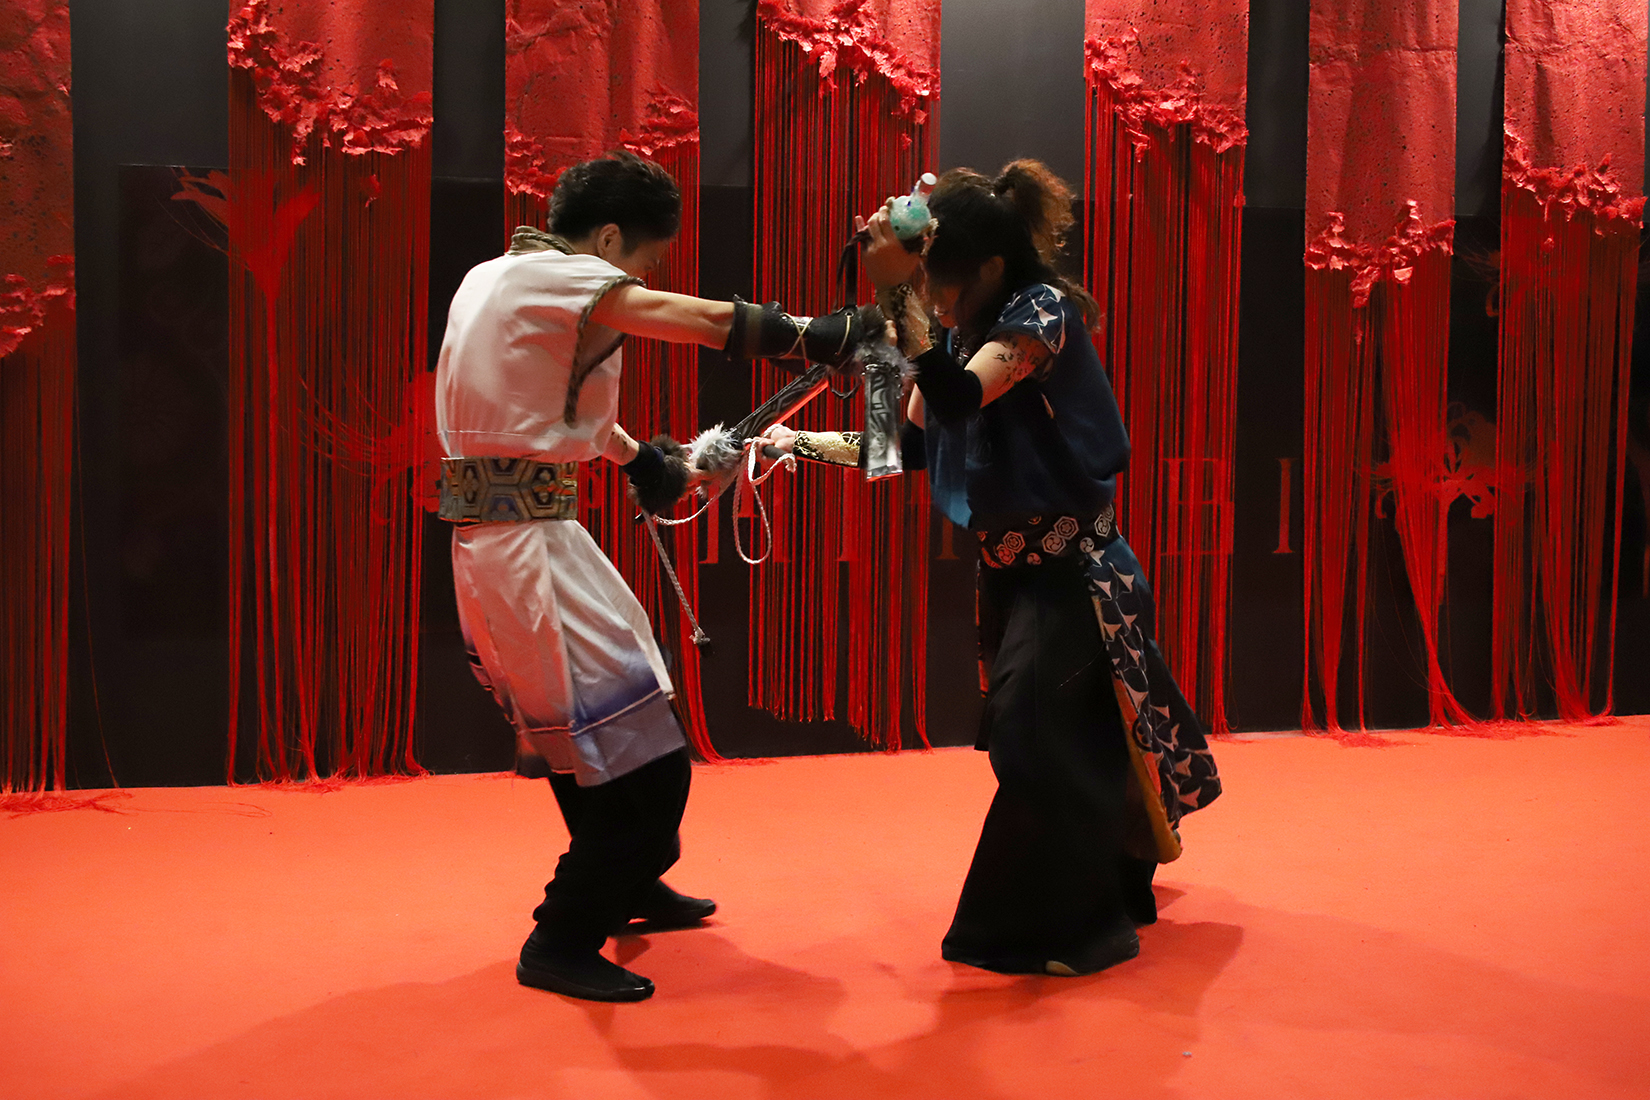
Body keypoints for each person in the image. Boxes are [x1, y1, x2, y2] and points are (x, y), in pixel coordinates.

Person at [435, 151, 876, 1002]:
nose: (640, 280)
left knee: (603, 739)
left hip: (524, 539)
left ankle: (628, 883)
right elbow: (687, 318)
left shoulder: (496, 277)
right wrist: (815, 336)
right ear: (607, 239)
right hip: (526, 550)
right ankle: (561, 937)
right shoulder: (561, 278)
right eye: (642, 260)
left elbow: (551, 406)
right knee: (647, 762)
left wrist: (645, 461)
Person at [762, 161, 1222, 976]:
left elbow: (957, 400)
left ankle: (1078, 929)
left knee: (1035, 737)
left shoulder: (1038, 314)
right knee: (1066, 738)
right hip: (1013, 577)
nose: (933, 297)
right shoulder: (956, 338)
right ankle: (1099, 898)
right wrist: (792, 442)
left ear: (991, 267)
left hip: (1076, 572)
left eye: (938, 282)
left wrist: (896, 296)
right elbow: (900, 445)